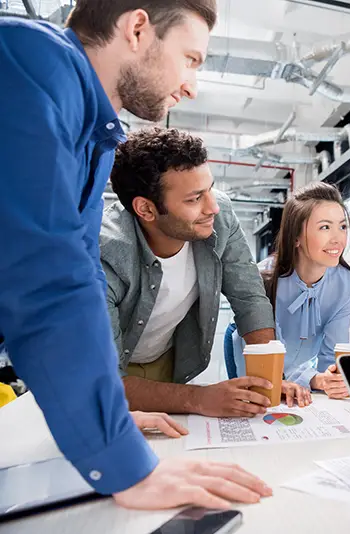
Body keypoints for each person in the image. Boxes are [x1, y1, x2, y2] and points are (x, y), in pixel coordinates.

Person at [0, 0, 272, 511]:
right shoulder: (30, 63)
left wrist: (112, 422)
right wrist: (128, 466)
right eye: (190, 59)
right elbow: (49, 288)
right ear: (138, 28)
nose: (192, 85)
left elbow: (71, 288)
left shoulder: (96, 138)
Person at [101, 127, 310, 414]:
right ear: (146, 210)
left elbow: (249, 297)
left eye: (209, 189)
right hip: (107, 372)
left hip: (165, 361)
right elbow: (104, 382)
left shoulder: (219, 216)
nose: (212, 207)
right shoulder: (104, 256)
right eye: (194, 199)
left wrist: (271, 376)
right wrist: (199, 399)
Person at [224, 182, 350, 400]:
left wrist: (329, 381)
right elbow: (268, 356)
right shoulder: (264, 279)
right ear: (296, 237)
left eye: (342, 226)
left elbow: (330, 355)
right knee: (258, 399)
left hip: (299, 363)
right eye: (325, 227)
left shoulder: (347, 284)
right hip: (252, 348)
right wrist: (310, 379)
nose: (338, 238)